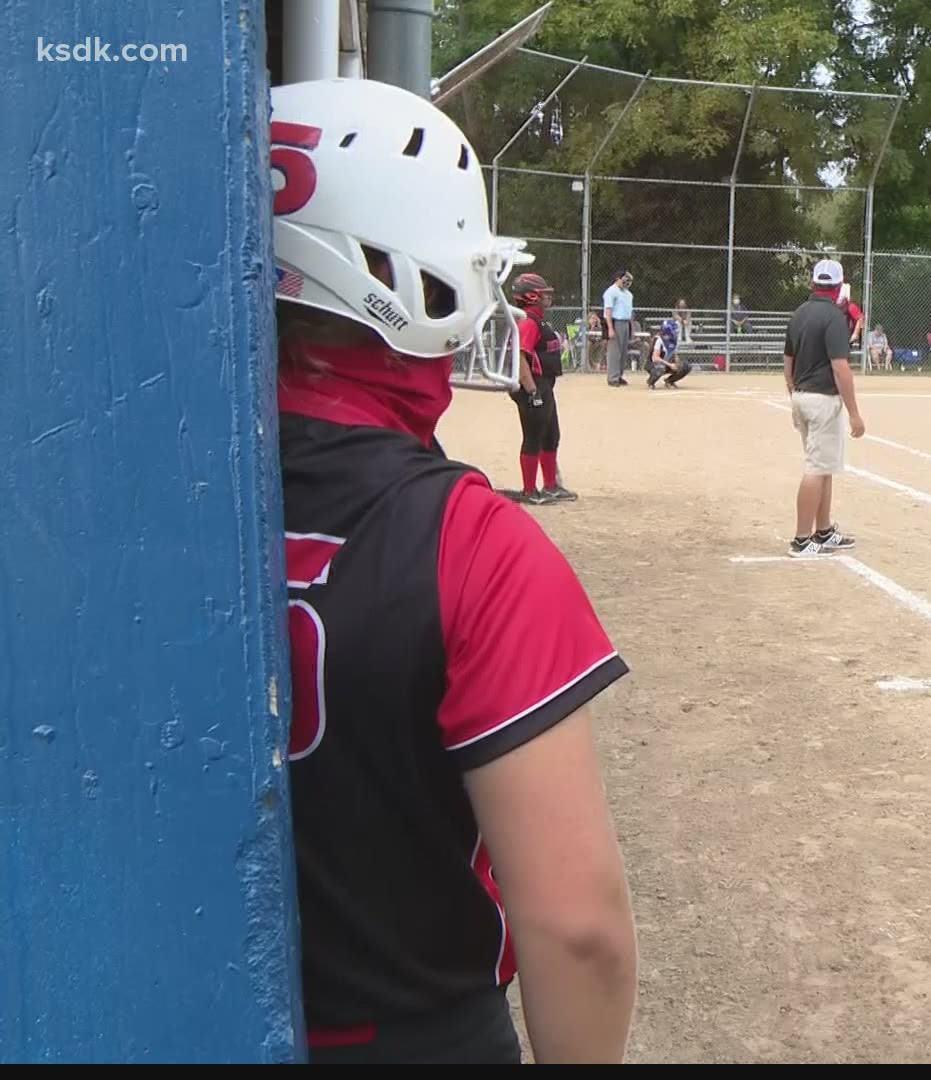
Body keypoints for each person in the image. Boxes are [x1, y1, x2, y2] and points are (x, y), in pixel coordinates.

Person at [268, 77, 637, 1063]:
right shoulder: (474, 545)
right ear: (394, 276)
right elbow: (580, 931)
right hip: (414, 1036)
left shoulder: (130, 497)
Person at [783, 259, 866, 558]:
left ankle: (823, 530)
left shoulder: (799, 314)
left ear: (813, 284)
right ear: (838, 287)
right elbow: (841, 367)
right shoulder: (834, 317)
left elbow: (788, 360)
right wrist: (854, 413)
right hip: (822, 400)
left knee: (824, 465)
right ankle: (802, 539)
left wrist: (793, 391)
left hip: (802, 395)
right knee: (817, 468)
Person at [509, 272, 575, 503]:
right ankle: (529, 491)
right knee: (534, 437)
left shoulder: (540, 319)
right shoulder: (528, 321)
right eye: (543, 293)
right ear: (531, 296)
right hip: (532, 386)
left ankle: (550, 486)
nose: (548, 297)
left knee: (551, 436)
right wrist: (531, 390)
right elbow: (520, 358)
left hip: (544, 384)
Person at [601, 271, 633, 386]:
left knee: (623, 351)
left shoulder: (628, 294)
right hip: (615, 322)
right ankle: (612, 377)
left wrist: (631, 327)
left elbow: (630, 312)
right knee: (614, 351)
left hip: (625, 322)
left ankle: (619, 375)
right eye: (624, 279)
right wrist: (610, 328)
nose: (626, 282)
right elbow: (608, 310)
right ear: (618, 279)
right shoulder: (611, 292)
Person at [645, 316, 690, 389]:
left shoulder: (673, 340)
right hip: (653, 365)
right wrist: (669, 364)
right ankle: (651, 382)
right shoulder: (658, 339)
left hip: (666, 364)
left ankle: (669, 381)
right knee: (660, 368)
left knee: (686, 366)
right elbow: (655, 358)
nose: (676, 332)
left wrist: (677, 362)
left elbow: (674, 353)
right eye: (674, 330)